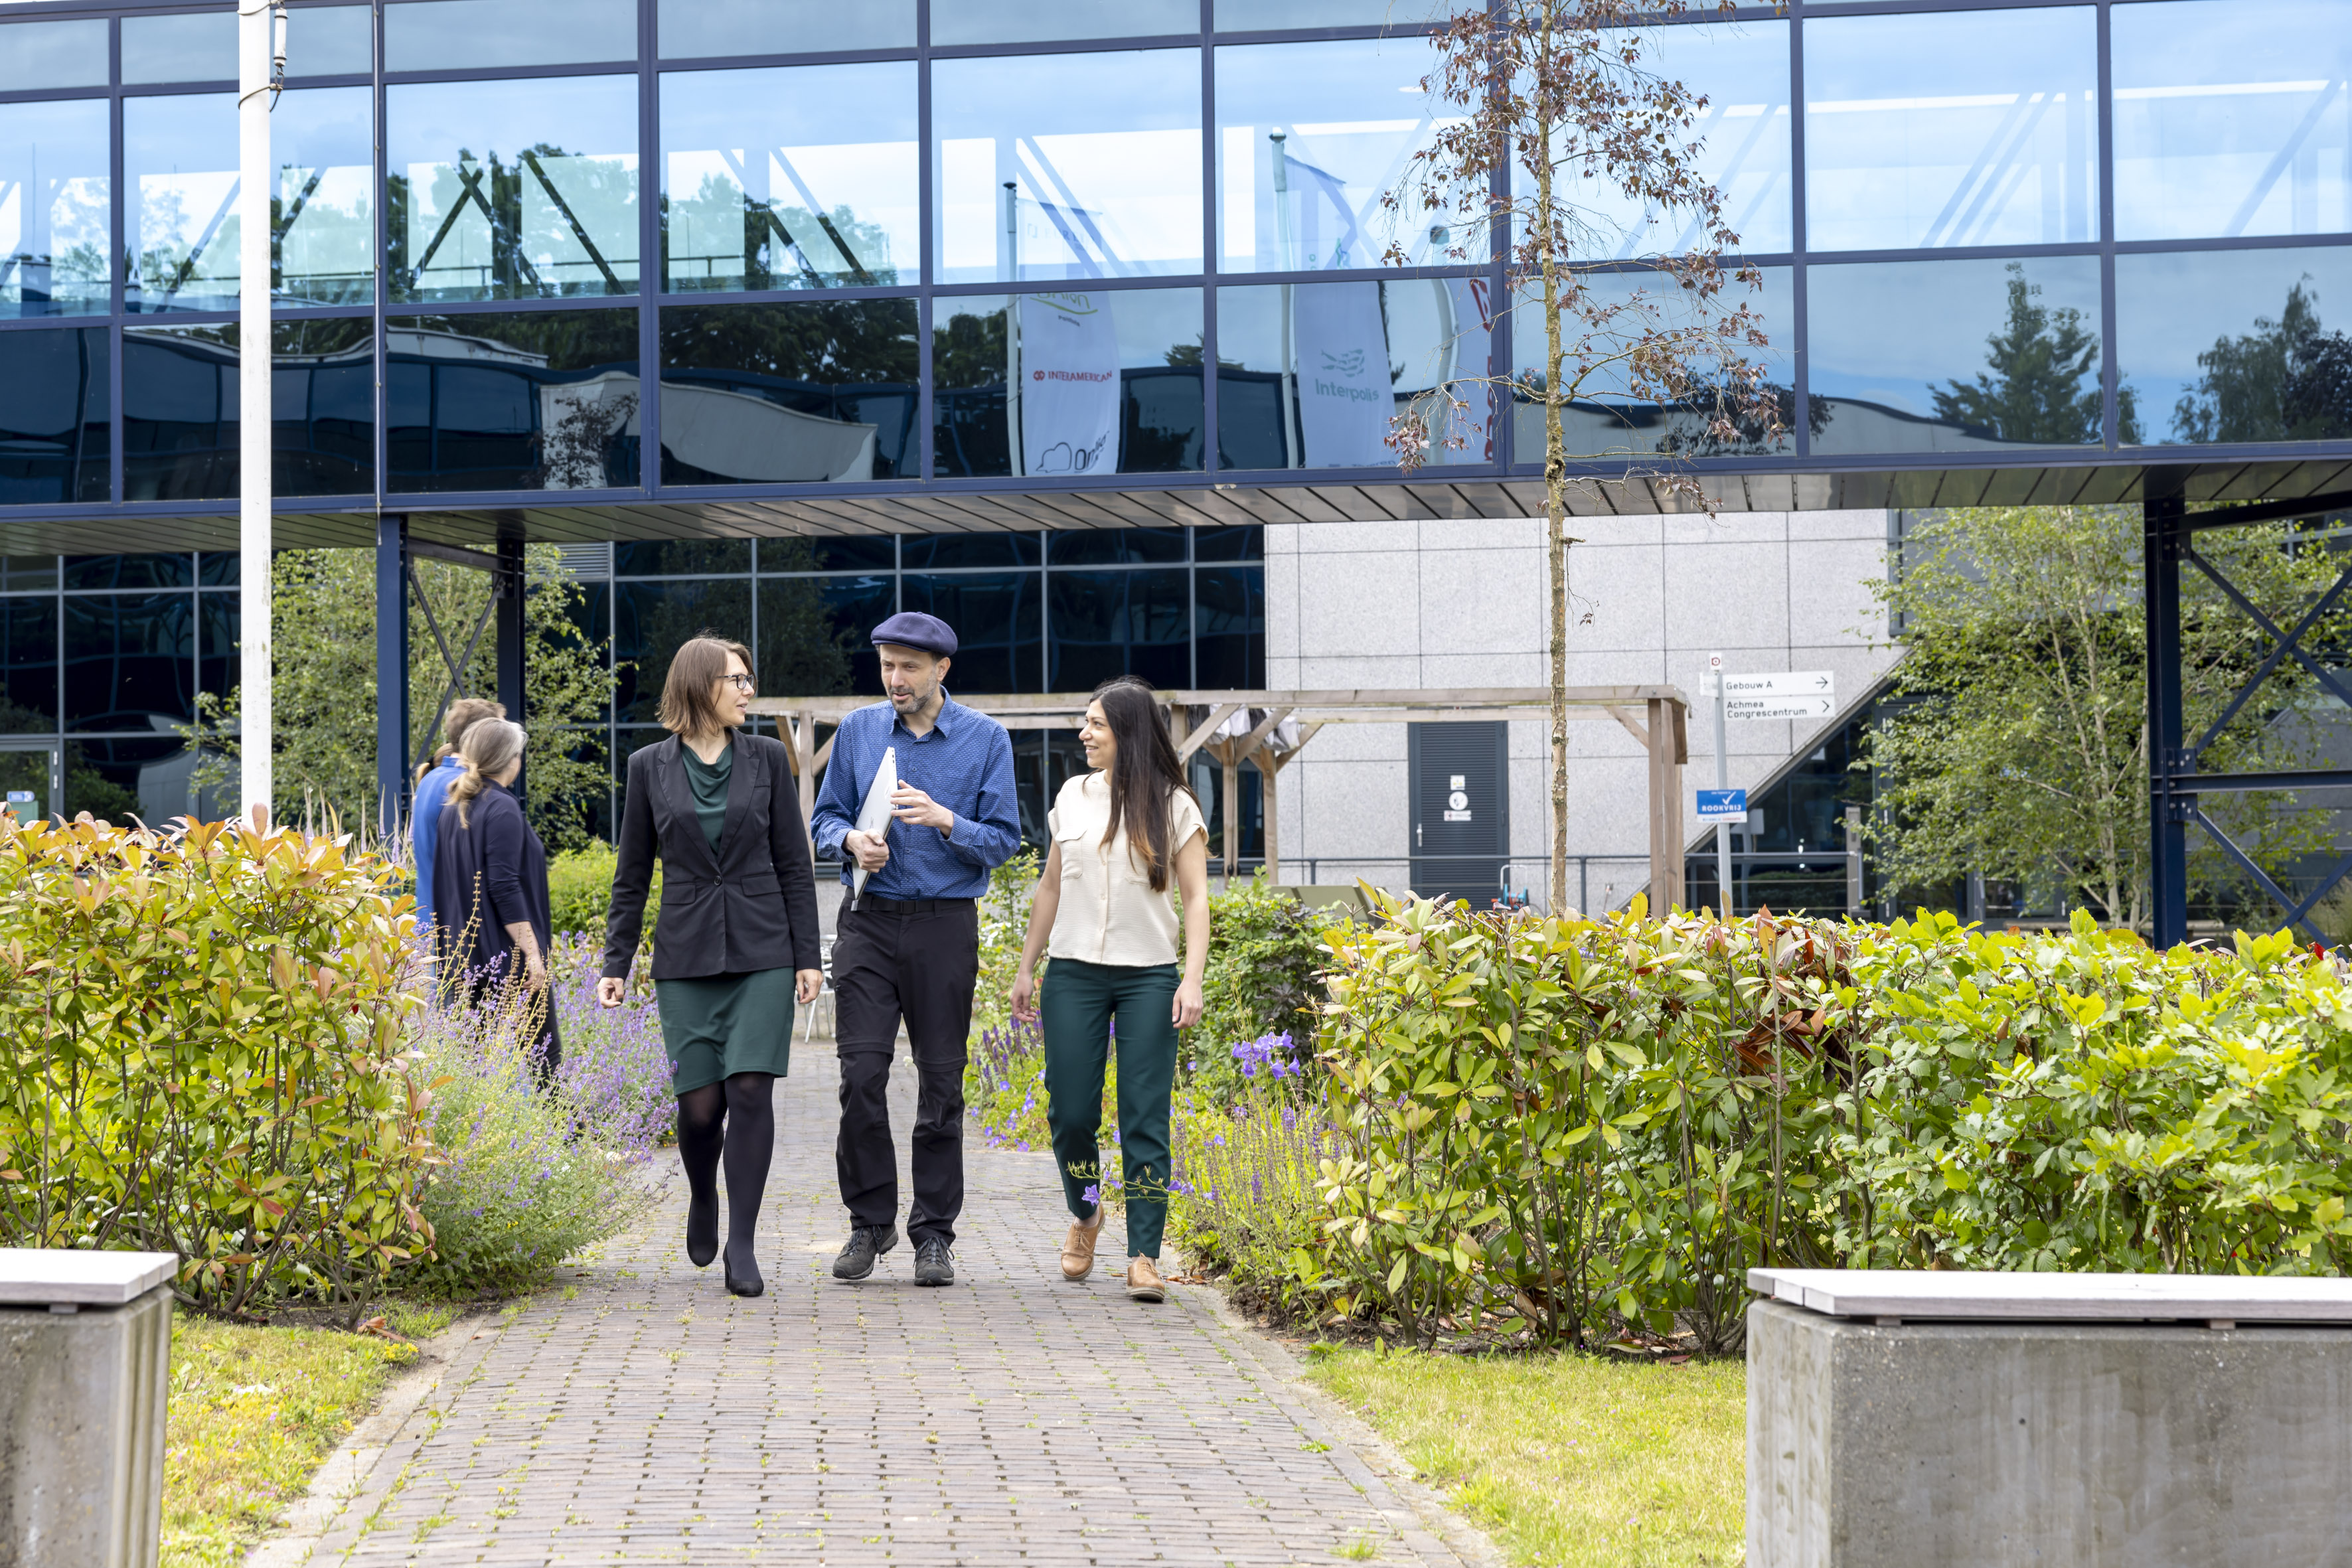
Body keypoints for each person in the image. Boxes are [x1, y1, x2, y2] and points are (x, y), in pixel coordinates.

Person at [598, 636, 823, 1299]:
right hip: (687, 955)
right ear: (702, 685)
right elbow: (632, 874)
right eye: (737, 679)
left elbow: (794, 863)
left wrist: (807, 956)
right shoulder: (648, 767)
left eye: (750, 679)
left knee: (751, 1089)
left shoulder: (766, 759)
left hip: (764, 951)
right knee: (700, 1107)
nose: (749, 690)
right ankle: (703, 1193)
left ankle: (744, 1242)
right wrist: (618, 960)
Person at [809, 611, 1020, 1288]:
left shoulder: (987, 740)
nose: (895, 679)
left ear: (941, 671)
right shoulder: (859, 732)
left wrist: (946, 819)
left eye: (908, 667)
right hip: (867, 919)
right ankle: (870, 1222)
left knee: (940, 1083)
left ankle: (934, 1234)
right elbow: (822, 819)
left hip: (943, 925)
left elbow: (1004, 839)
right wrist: (850, 842)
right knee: (860, 1076)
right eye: (886, 665)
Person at [1010, 678, 1209, 1304]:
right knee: (1069, 1112)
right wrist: (1025, 966)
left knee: (1144, 1119)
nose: (1084, 733)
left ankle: (1144, 1254)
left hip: (1148, 975)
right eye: (1084, 721)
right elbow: (1049, 886)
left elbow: (1198, 898)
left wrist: (1192, 978)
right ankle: (1087, 1212)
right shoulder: (1072, 796)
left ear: (1127, 731)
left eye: (1095, 723)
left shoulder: (1176, 804)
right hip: (1072, 973)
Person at [433, 717, 561, 1080]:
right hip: (509, 961)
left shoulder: (456, 806)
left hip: (468, 960)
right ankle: (573, 1138)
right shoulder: (501, 808)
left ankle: (470, 1137)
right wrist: (534, 955)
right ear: (512, 761)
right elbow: (503, 888)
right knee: (545, 1063)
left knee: (471, 1071)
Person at [412, 698, 506, 937]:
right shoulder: (467, 788)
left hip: (427, 924)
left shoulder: (431, 779)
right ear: (484, 736)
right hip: (460, 934)